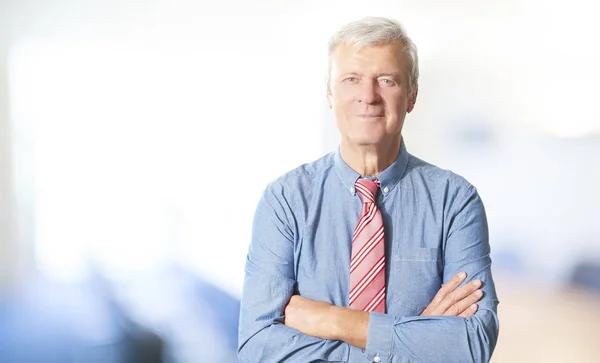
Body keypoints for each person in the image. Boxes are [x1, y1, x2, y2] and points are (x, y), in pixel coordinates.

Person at [238, 16, 499, 363]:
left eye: (387, 80)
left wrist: (331, 320)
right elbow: (258, 347)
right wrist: (416, 333)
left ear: (411, 95)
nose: (368, 96)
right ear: (331, 95)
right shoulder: (285, 201)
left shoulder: (455, 200)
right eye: (351, 79)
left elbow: (471, 345)